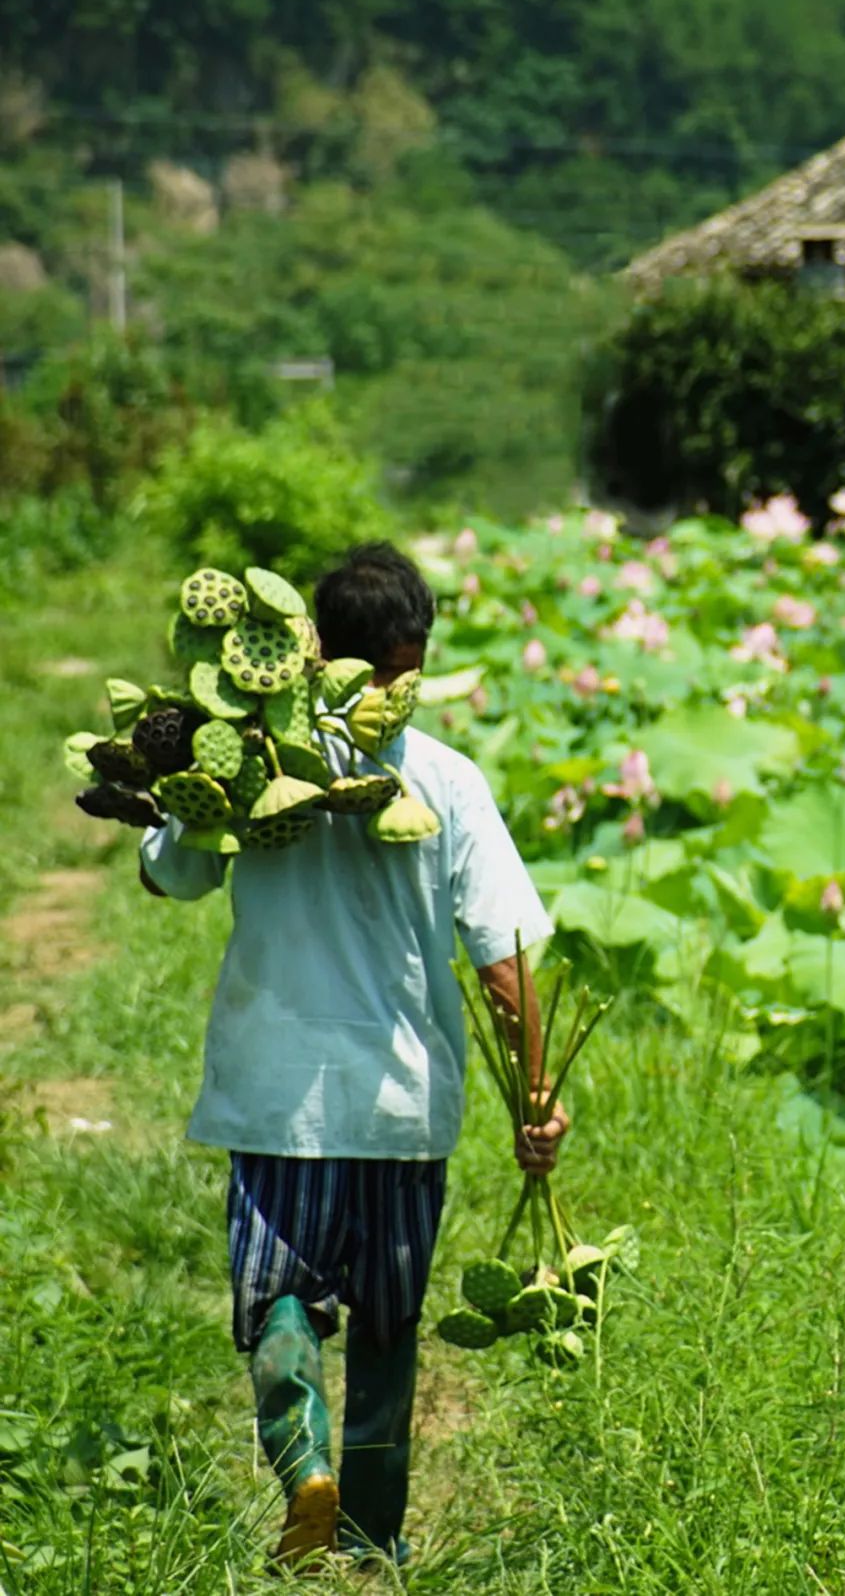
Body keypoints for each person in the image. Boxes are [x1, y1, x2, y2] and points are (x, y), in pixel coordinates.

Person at [139, 541, 568, 1573]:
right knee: (387, 1321)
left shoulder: (246, 766)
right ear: (410, 651)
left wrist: (192, 764)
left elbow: (172, 879)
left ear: (309, 645)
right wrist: (535, 1100)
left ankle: (304, 1473)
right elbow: (505, 958)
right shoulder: (451, 780)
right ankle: (376, 1536)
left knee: (278, 1299)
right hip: (403, 1106)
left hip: (276, 1096)